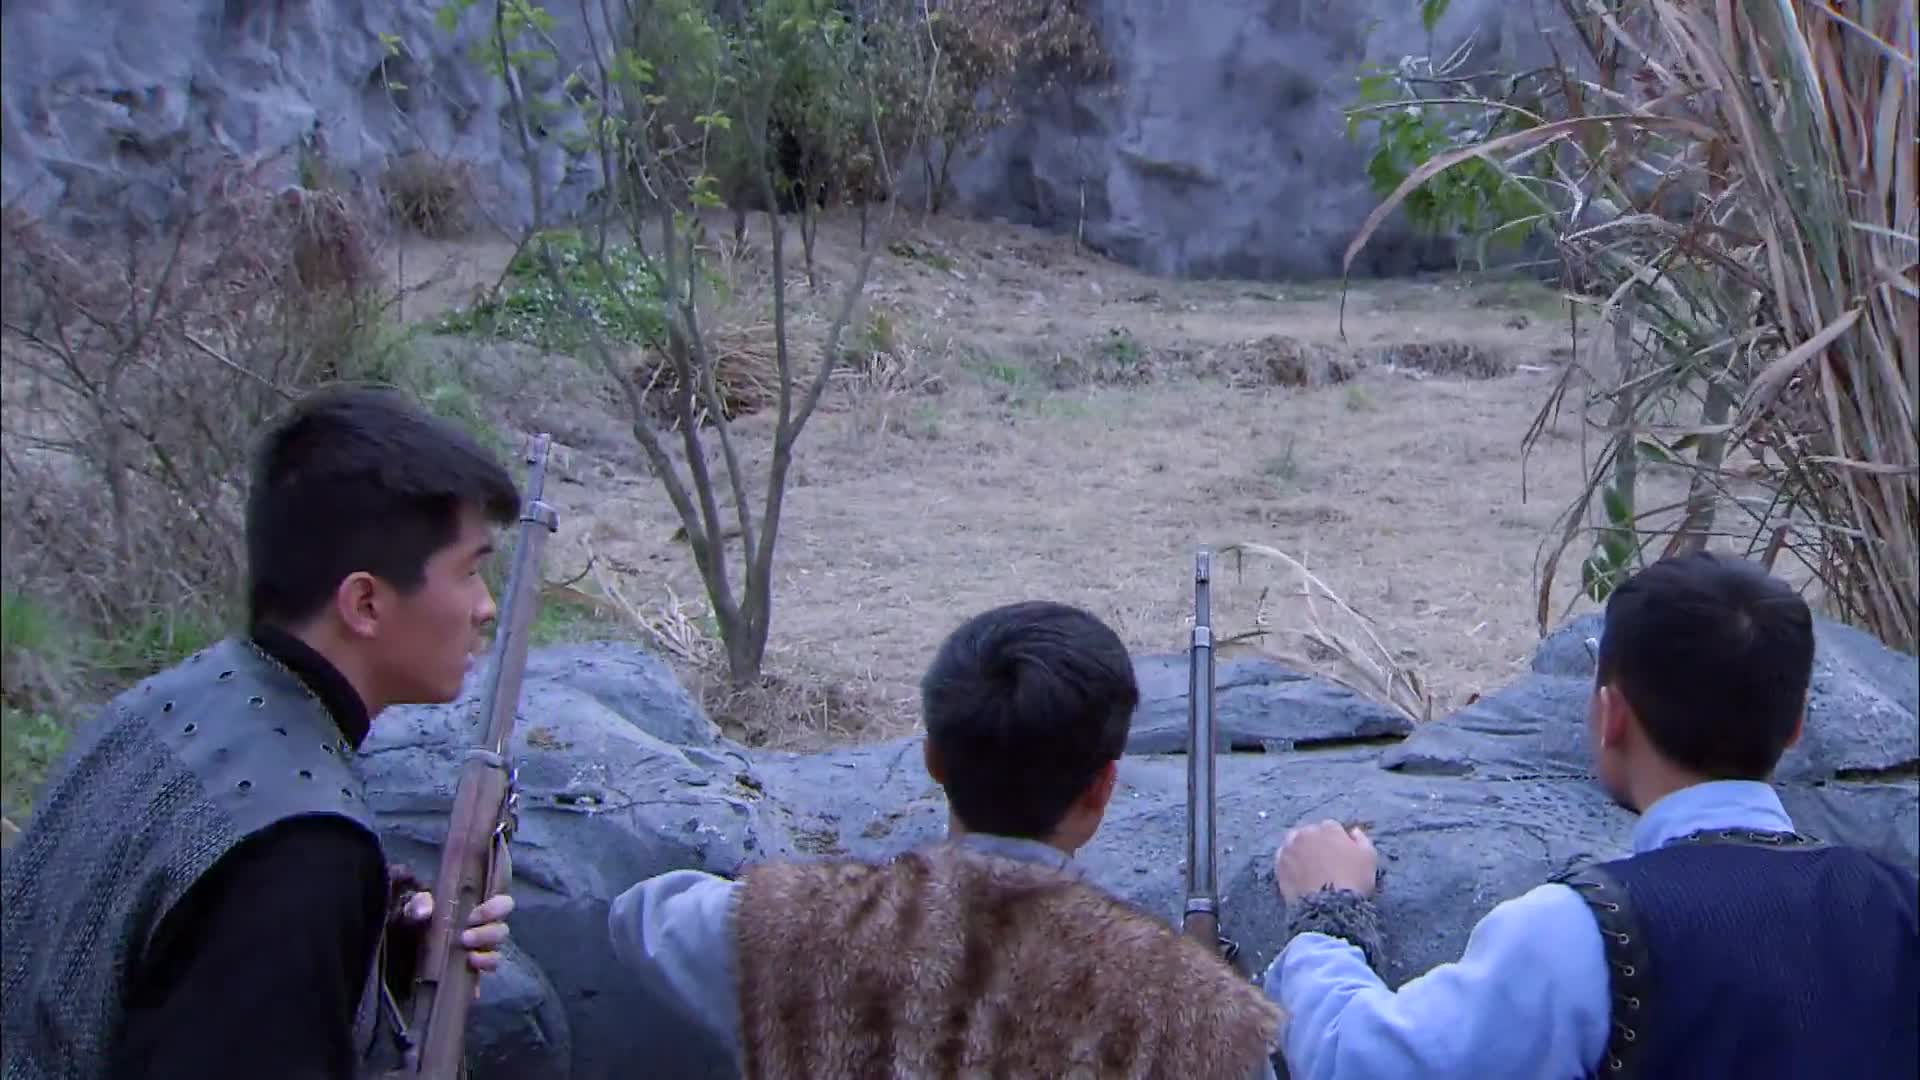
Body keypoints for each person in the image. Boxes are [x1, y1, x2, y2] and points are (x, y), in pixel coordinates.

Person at [1, 386, 527, 1079]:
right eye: (470, 571)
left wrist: (377, 951)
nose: (485, 607)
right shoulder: (301, 855)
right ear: (365, 603)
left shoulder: (164, 701)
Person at [1261, 550, 1919, 1078]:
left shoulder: (1577, 933)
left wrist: (1328, 916)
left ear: (1611, 717)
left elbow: (1363, 1062)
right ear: (1797, 725)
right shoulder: (1898, 907)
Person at [609, 600, 1286, 1078]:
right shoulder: (1199, 1013)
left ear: (932, 758)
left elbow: (641, 916)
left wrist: (801, 902)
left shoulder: (790, 928)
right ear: (1102, 788)